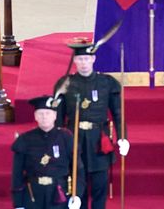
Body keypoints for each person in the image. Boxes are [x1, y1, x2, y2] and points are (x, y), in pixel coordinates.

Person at [53, 39, 127, 208]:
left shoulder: (106, 83)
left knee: (100, 186)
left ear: (93, 59)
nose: (83, 63)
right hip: (75, 140)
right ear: (75, 61)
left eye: (87, 58)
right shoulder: (66, 84)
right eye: (80, 59)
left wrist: (123, 137)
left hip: (98, 143)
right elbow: (58, 119)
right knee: (79, 190)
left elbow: (118, 113)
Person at [11, 95, 80, 209]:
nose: (44, 117)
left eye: (48, 113)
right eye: (41, 113)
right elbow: (17, 173)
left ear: (55, 116)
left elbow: (78, 169)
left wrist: (76, 195)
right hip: (33, 195)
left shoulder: (66, 138)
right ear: (35, 116)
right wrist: (18, 203)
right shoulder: (25, 139)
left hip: (59, 195)